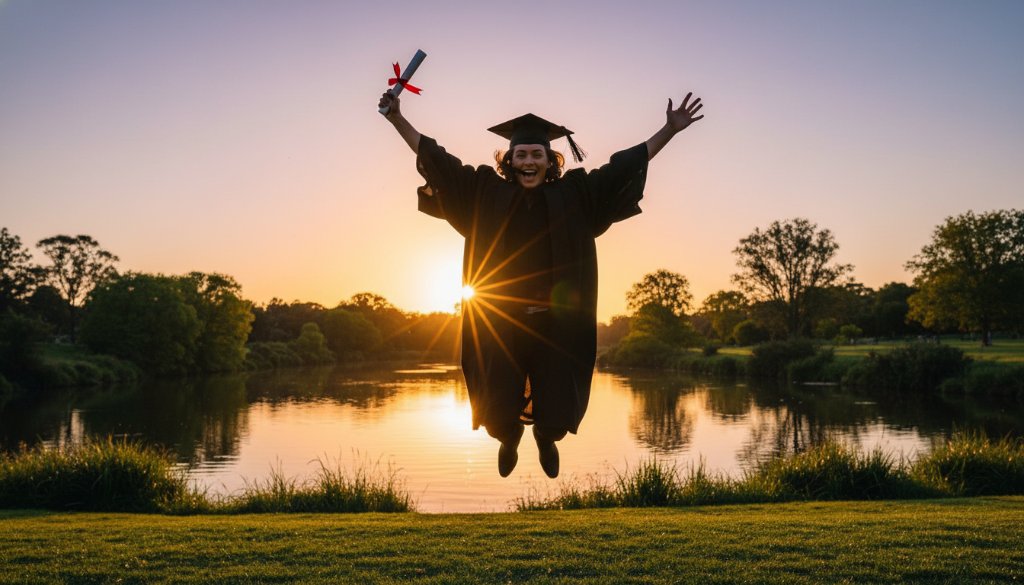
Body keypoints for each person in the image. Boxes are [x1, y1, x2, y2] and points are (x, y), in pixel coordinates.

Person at [378, 90, 703, 478]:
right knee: (497, 399)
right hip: (499, 323)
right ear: (509, 161)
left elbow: (623, 168)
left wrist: (668, 130)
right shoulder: (485, 192)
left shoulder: (574, 195)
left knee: (557, 400)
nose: (529, 161)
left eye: (537, 154)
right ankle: (509, 436)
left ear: (550, 161)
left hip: (557, 325)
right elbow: (439, 162)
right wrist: (397, 118)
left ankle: (546, 439)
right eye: (521, 155)